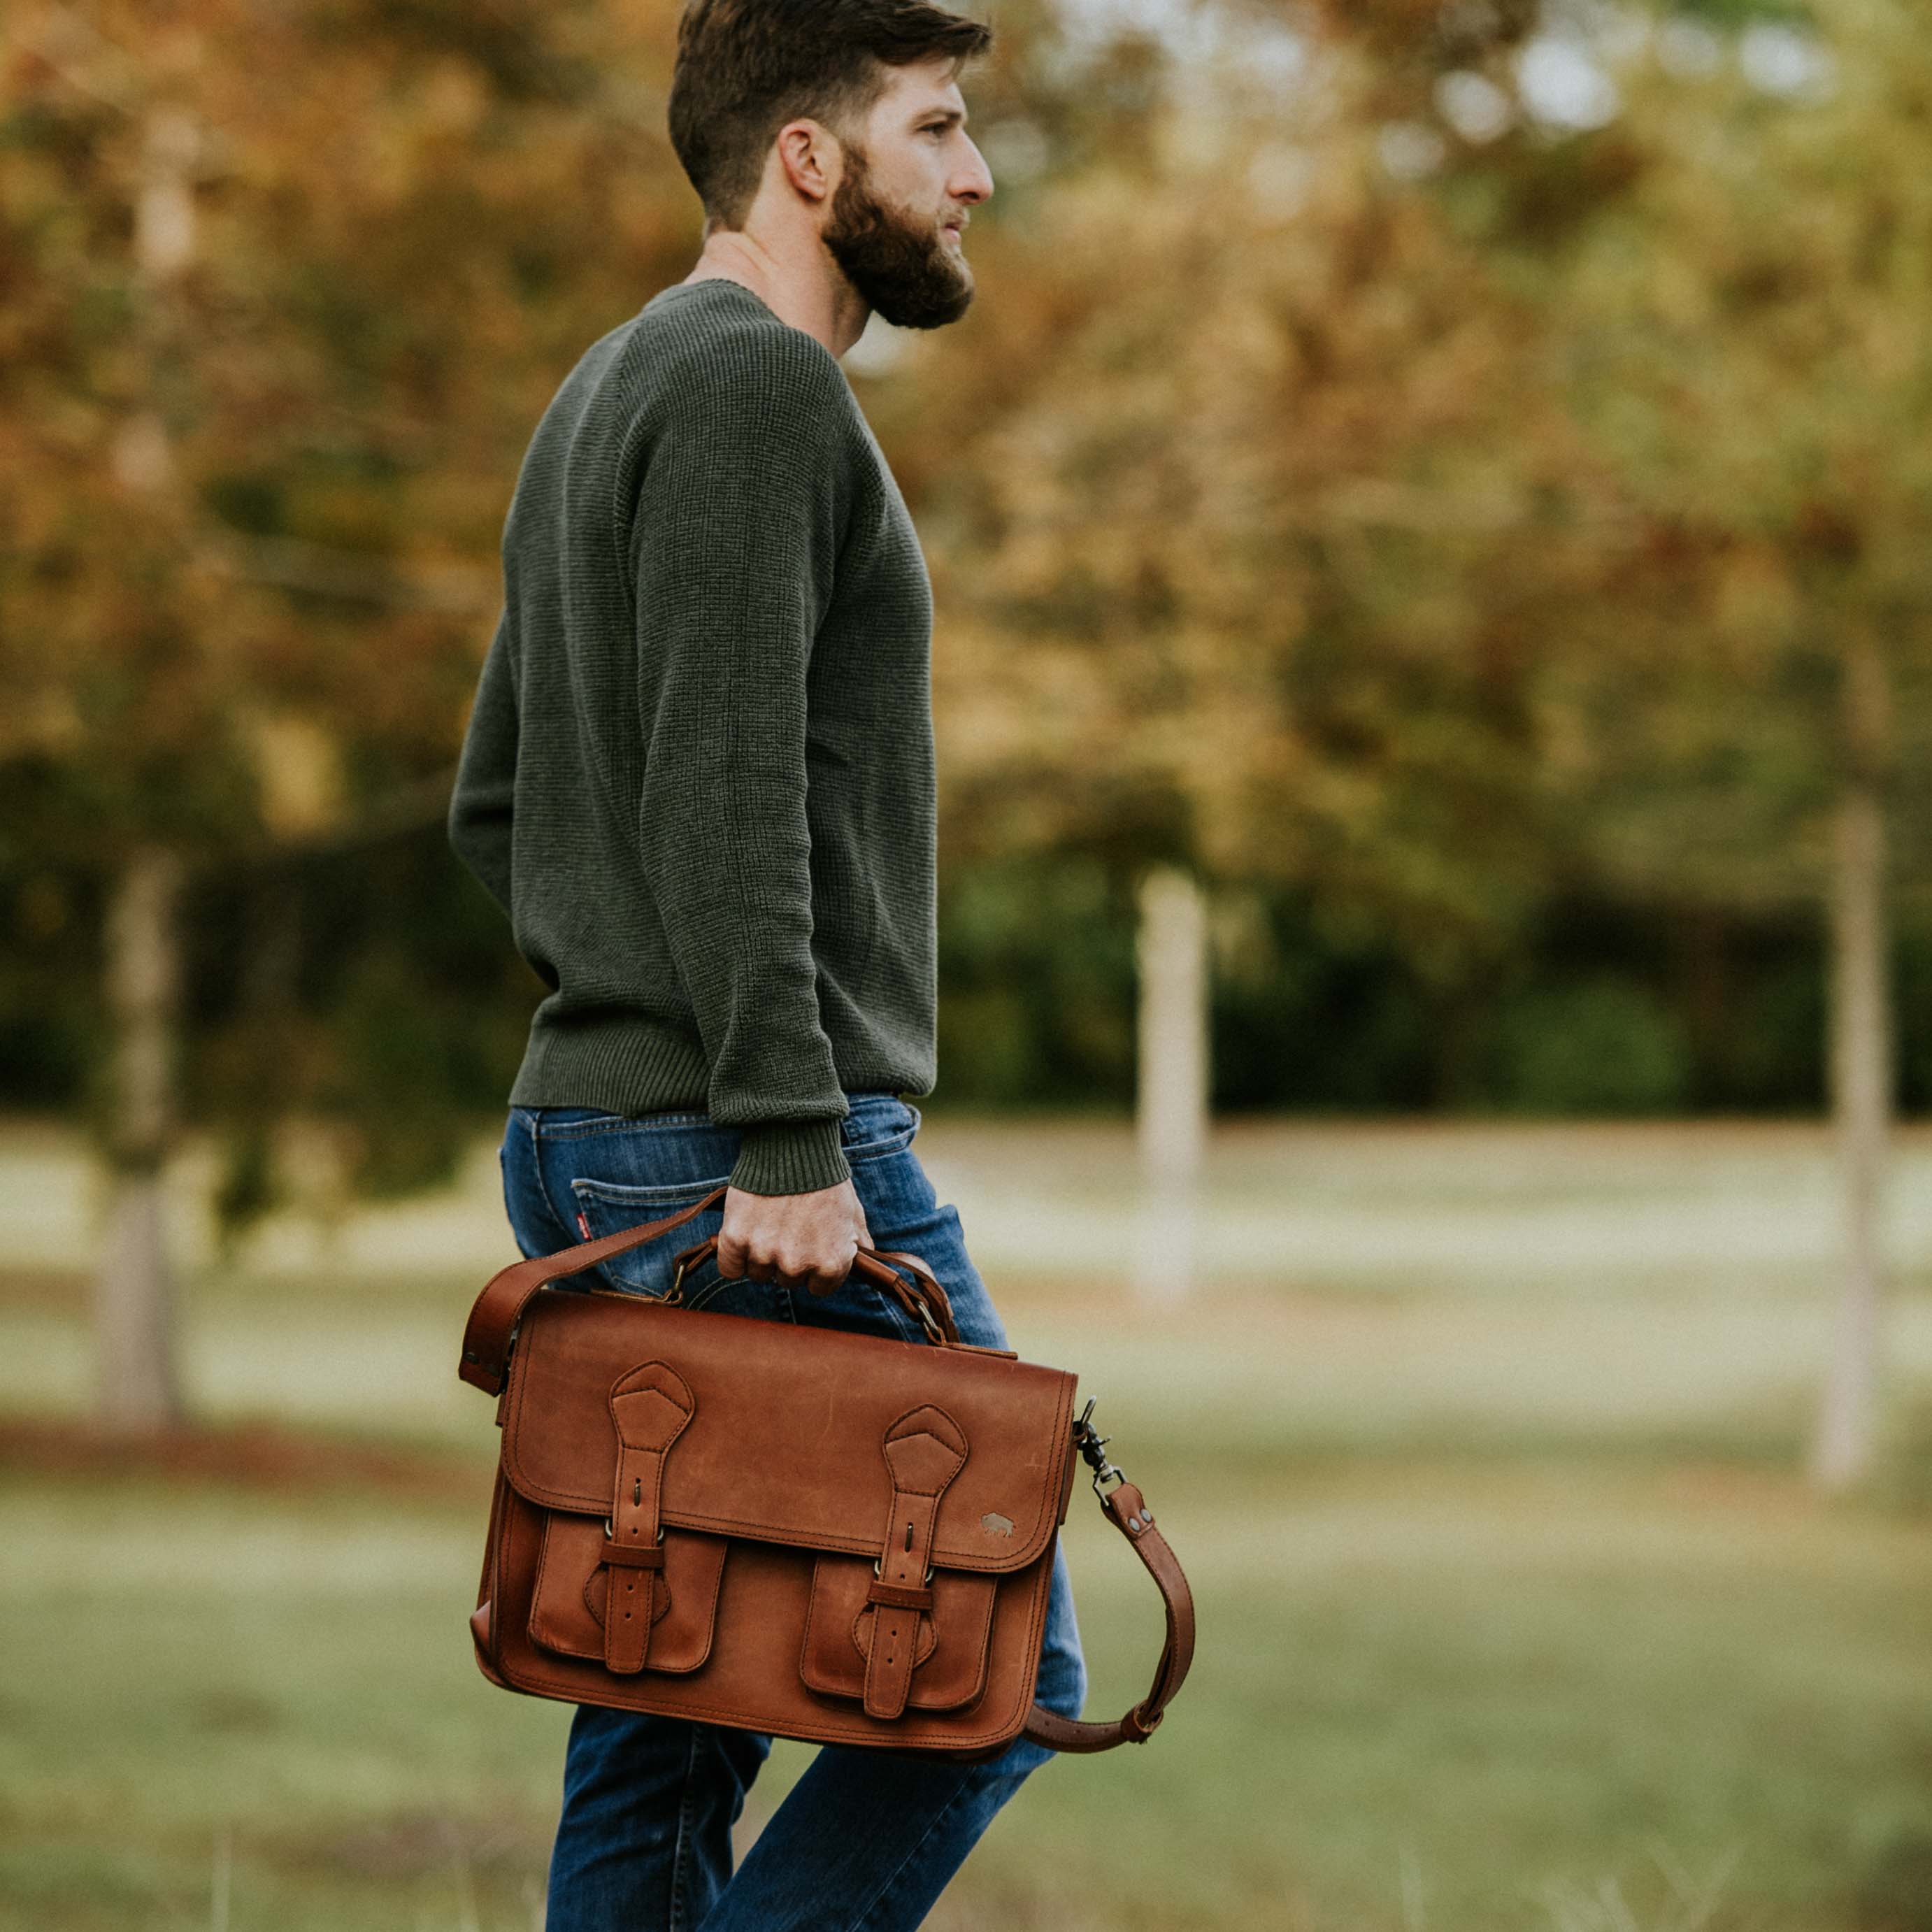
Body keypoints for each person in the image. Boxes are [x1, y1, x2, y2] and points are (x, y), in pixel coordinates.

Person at [445, 3, 1087, 1926]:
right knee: (996, 1672)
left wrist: (624, 1018)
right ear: (808, 158)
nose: (974, 177)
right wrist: (786, 1135)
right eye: (939, 129)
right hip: (751, 1154)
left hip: (616, 1124)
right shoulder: (755, 393)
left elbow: (503, 803)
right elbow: (722, 790)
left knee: (661, 1694)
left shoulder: (608, 382)